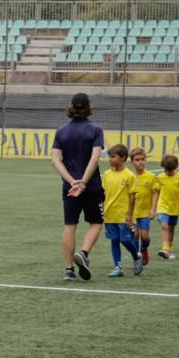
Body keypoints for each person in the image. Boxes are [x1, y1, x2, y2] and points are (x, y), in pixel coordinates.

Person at [50, 92, 106, 282]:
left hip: (69, 187)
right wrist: (83, 181)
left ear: (71, 107)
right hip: (91, 187)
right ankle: (83, 252)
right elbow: (95, 158)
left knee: (69, 226)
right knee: (96, 222)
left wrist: (72, 181)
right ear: (89, 107)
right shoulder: (96, 130)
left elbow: (55, 160)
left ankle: (68, 269)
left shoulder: (61, 131)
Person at [101, 144, 144, 277]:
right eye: (110, 157)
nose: (110, 159)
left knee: (125, 240)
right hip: (110, 214)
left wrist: (130, 215)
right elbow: (103, 193)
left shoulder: (129, 175)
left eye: (113, 157)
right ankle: (117, 267)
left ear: (123, 158)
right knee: (114, 240)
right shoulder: (107, 174)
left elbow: (132, 197)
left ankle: (136, 256)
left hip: (123, 215)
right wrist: (102, 210)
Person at [154, 154, 179, 259]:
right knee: (164, 226)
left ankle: (169, 248)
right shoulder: (160, 177)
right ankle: (165, 248)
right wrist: (153, 207)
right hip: (163, 206)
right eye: (166, 170)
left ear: (176, 167)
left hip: (174, 207)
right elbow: (156, 191)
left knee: (171, 228)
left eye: (171, 170)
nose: (168, 172)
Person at [129, 147, 157, 270]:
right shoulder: (129, 177)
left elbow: (155, 192)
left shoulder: (150, 176)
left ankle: (144, 249)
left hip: (145, 212)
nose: (140, 162)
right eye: (137, 160)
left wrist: (153, 208)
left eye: (142, 159)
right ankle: (137, 258)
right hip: (133, 213)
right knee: (134, 236)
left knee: (145, 237)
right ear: (132, 162)